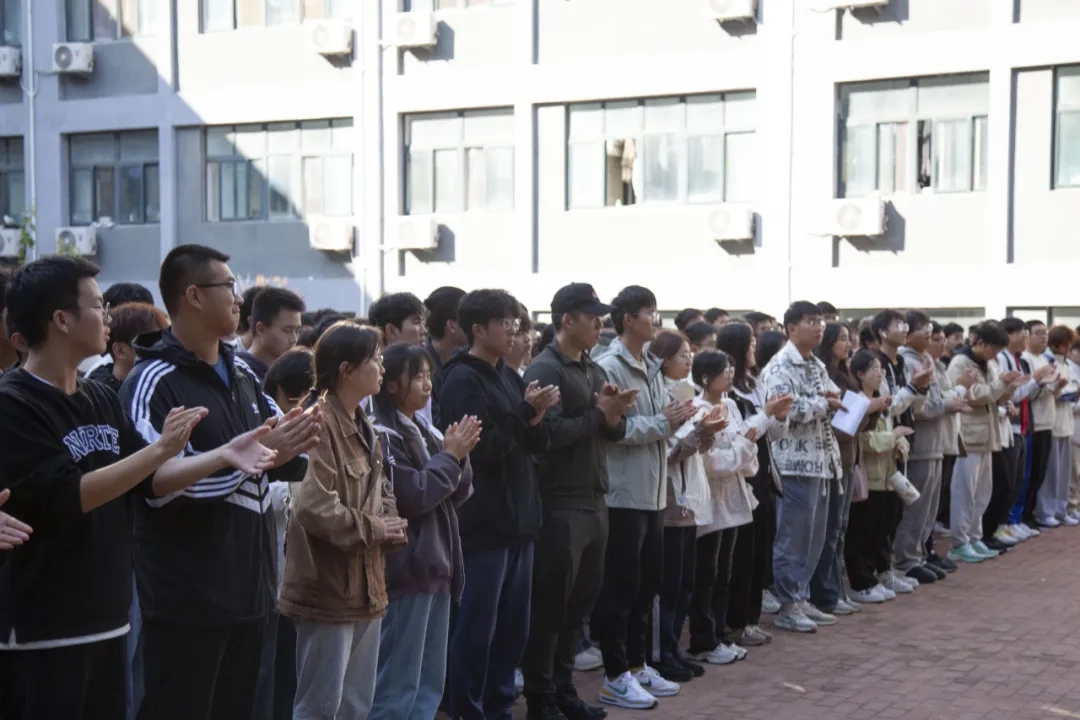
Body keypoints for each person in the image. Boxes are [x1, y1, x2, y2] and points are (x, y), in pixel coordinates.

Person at [0, 256, 276, 720]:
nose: (108, 317)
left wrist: (225, 454)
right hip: (42, 626)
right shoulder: (14, 403)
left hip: (108, 616)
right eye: (98, 306)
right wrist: (162, 449)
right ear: (61, 320)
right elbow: (70, 496)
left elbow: (148, 481)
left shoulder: (98, 396)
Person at [121, 244, 321, 720]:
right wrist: (240, 461)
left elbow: (277, 449)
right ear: (193, 295)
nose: (239, 299)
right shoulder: (152, 380)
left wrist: (288, 449)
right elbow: (155, 485)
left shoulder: (244, 373)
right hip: (187, 598)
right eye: (229, 286)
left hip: (251, 589)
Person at [439, 289, 559, 720]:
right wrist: (524, 413)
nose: (513, 332)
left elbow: (535, 444)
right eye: (504, 324)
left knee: (512, 630)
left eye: (515, 323)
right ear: (477, 329)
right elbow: (483, 450)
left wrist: (536, 417)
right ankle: (467, 709)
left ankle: (499, 706)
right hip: (484, 523)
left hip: (520, 518)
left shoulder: (508, 374)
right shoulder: (461, 379)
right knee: (477, 629)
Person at [278, 322, 406, 719]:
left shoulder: (363, 423)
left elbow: (381, 488)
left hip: (366, 586)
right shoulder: (315, 423)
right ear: (347, 370)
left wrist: (389, 520)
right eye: (375, 359)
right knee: (320, 705)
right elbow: (312, 505)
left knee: (355, 704)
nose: (382, 366)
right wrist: (375, 528)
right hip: (327, 588)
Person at [521, 283, 635, 720]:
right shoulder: (544, 368)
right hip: (560, 502)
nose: (599, 325)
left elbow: (610, 431)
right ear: (567, 320)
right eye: (592, 318)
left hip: (593, 497)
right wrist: (598, 414)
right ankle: (541, 698)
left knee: (579, 607)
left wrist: (613, 413)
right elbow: (545, 436)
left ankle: (564, 691)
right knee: (551, 607)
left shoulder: (590, 367)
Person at [591, 286, 696, 710]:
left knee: (646, 586)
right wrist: (664, 423)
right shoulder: (609, 366)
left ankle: (637, 666)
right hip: (623, 494)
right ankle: (614, 674)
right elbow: (613, 430)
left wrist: (675, 421)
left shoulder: (649, 367)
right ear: (628, 320)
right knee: (620, 589)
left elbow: (655, 424)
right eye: (649, 312)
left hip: (652, 493)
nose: (656, 319)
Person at [368, 342, 479, 720]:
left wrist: (459, 455)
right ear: (392, 384)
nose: (427, 384)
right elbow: (414, 496)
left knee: (428, 682)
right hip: (407, 570)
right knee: (397, 683)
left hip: (437, 567)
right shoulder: (382, 434)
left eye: (429, 376)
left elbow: (457, 493)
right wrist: (450, 456)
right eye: (417, 377)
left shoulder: (423, 428)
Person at [760, 301, 843, 634]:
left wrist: (828, 401)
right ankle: (788, 603)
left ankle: (802, 594)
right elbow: (788, 410)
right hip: (794, 462)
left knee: (814, 536)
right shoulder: (780, 366)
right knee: (793, 536)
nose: (819, 327)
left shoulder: (816, 364)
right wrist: (825, 403)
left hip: (821, 460)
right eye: (811, 321)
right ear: (791, 328)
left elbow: (831, 395)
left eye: (820, 321)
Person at [719, 322, 791, 644]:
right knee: (742, 552)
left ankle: (752, 617)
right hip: (742, 473)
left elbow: (772, 433)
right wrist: (766, 414)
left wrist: (780, 415)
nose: (754, 348)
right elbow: (744, 433)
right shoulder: (728, 393)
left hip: (762, 471)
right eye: (750, 343)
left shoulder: (754, 383)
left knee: (762, 546)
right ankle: (736, 621)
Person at [258, 347, 315, 720]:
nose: (301, 408)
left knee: (291, 673)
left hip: (297, 576)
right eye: (295, 398)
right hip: (271, 574)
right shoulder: (265, 423)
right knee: (269, 674)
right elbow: (268, 491)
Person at [946, 321, 1013, 564]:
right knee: (964, 491)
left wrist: (1010, 385)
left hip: (987, 435)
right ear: (980, 342)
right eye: (993, 349)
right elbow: (974, 395)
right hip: (968, 436)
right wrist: (1001, 385)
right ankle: (960, 542)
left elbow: (996, 395)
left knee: (982, 492)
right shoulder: (960, 363)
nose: (994, 355)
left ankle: (975, 537)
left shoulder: (989, 363)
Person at [87, 303, 170, 393]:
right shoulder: (99, 395)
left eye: (165, 340)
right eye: (152, 342)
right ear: (120, 350)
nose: (163, 348)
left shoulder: (160, 381)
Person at [237, 287, 306, 383]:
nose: (294, 339)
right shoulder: (239, 374)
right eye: (287, 330)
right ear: (261, 329)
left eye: (297, 331)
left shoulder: (290, 374)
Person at [423, 286, 468, 428]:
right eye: (469, 318)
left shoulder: (468, 361)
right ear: (451, 325)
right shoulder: (420, 368)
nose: (475, 325)